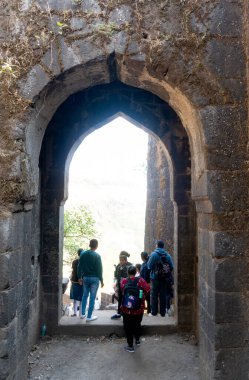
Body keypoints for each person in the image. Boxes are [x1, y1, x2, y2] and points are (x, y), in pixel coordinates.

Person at [120, 265, 150, 353]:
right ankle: (137, 340)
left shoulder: (124, 281)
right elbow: (148, 289)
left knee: (128, 327)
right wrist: (142, 296)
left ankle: (130, 346)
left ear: (127, 272)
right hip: (139, 309)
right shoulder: (141, 280)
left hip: (126, 309)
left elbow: (122, 292)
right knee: (137, 324)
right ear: (135, 272)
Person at [77, 239, 104, 322]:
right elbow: (100, 270)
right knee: (92, 298)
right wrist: (101, 280)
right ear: (96, 246)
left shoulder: (83, 254)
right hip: (95, 279)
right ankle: (89, 316)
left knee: (84, 296)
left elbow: (79, 267)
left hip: (85, 278)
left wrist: (79, 277)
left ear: (89, 245)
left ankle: (82, 314)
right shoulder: (97, 256)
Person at [147, 240, 173, 317]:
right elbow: (171, 267)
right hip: (164, 279)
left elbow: (149, 266)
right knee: (163, 295)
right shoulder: (168, 255)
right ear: (163, 246)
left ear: (157, 245)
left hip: (155, 278)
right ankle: (162, 313)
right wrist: (165, 272)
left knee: (154, 295)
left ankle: (154, 312)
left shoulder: (154, 254)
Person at [111, 251, 132, 320]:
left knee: (125, 298)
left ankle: (125, 312)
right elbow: (116, 276)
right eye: (120, 260)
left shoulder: (129, 266)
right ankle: (119, 312)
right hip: (120, 285)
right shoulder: (118, 266)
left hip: (126, 286)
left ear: (126, 260)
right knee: (120, 299)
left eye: (122, 260)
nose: (121, 261)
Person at [70, 248, 84, 316]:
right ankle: (81, 314)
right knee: (81, 299)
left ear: (78, 254)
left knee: (75, 298)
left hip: (74, 281)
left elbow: (73, 271)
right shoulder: (85, 262)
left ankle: (75, 313)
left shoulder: (74, 262)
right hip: (82, 282)